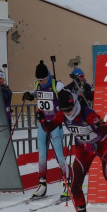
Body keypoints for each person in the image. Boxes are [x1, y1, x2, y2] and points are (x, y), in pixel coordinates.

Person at [19, 61, 69, 200]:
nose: (41, 82)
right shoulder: (37, 85)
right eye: (39, 80)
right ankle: (42, 185)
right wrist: (29, 96)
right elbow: (37, 95)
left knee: (59, 155)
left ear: (48, 75)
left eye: (43, 79)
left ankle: (68, 183)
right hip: (42, 124)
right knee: (41, 155)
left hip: (54, 124)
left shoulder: (56, 85)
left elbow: (66, 100)